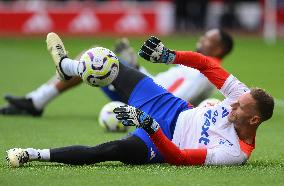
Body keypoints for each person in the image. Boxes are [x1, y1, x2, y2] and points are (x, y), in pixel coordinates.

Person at [6, 33, 274, 167]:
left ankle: (31, 154)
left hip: (164, 140)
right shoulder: (240, 94)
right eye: (237, 100)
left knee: (108, 151)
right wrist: (169, 55)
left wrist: (150, 126)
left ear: (254, 119)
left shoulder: (235, 154)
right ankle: (68, 67)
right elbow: (205, 64)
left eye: (240, 106)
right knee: (106, 60)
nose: (233, 103)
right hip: (169, 105)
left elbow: (179, 157)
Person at [0, 28, 233, 116]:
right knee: (93, 56)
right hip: (141, 91)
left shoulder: (204, 73)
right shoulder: (197, 65)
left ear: (219, 48)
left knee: (93, 56)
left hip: (142, 102)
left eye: (207, 38)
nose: (201, 39)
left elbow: (168, 97)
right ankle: (38, 99)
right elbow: (161, 83)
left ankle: (44, 92)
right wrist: (137, 66)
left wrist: (134, 69)